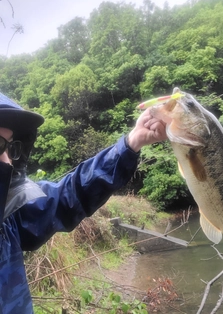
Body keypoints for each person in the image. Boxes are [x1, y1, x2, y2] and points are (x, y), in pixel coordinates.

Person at [0, 92, 167, 313]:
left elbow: (72, 193)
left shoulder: (10, 216)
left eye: (10, 147)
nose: (7, 160)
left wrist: (132, 142)